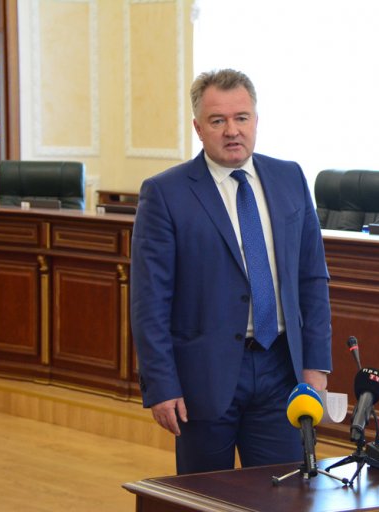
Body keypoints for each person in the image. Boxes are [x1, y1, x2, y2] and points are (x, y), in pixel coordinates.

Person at [130, 68, 332, 474]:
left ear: (256, 120)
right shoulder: (165, 193)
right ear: (198, 128)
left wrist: (316, 364)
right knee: (205, 495)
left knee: (286, 492)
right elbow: (149, 301)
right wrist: (162, 384)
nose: (232, 131)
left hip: (281, 371)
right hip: (204, 376)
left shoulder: (290, 177)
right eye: (217, 121)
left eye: (241, 118)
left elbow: (312, 278)